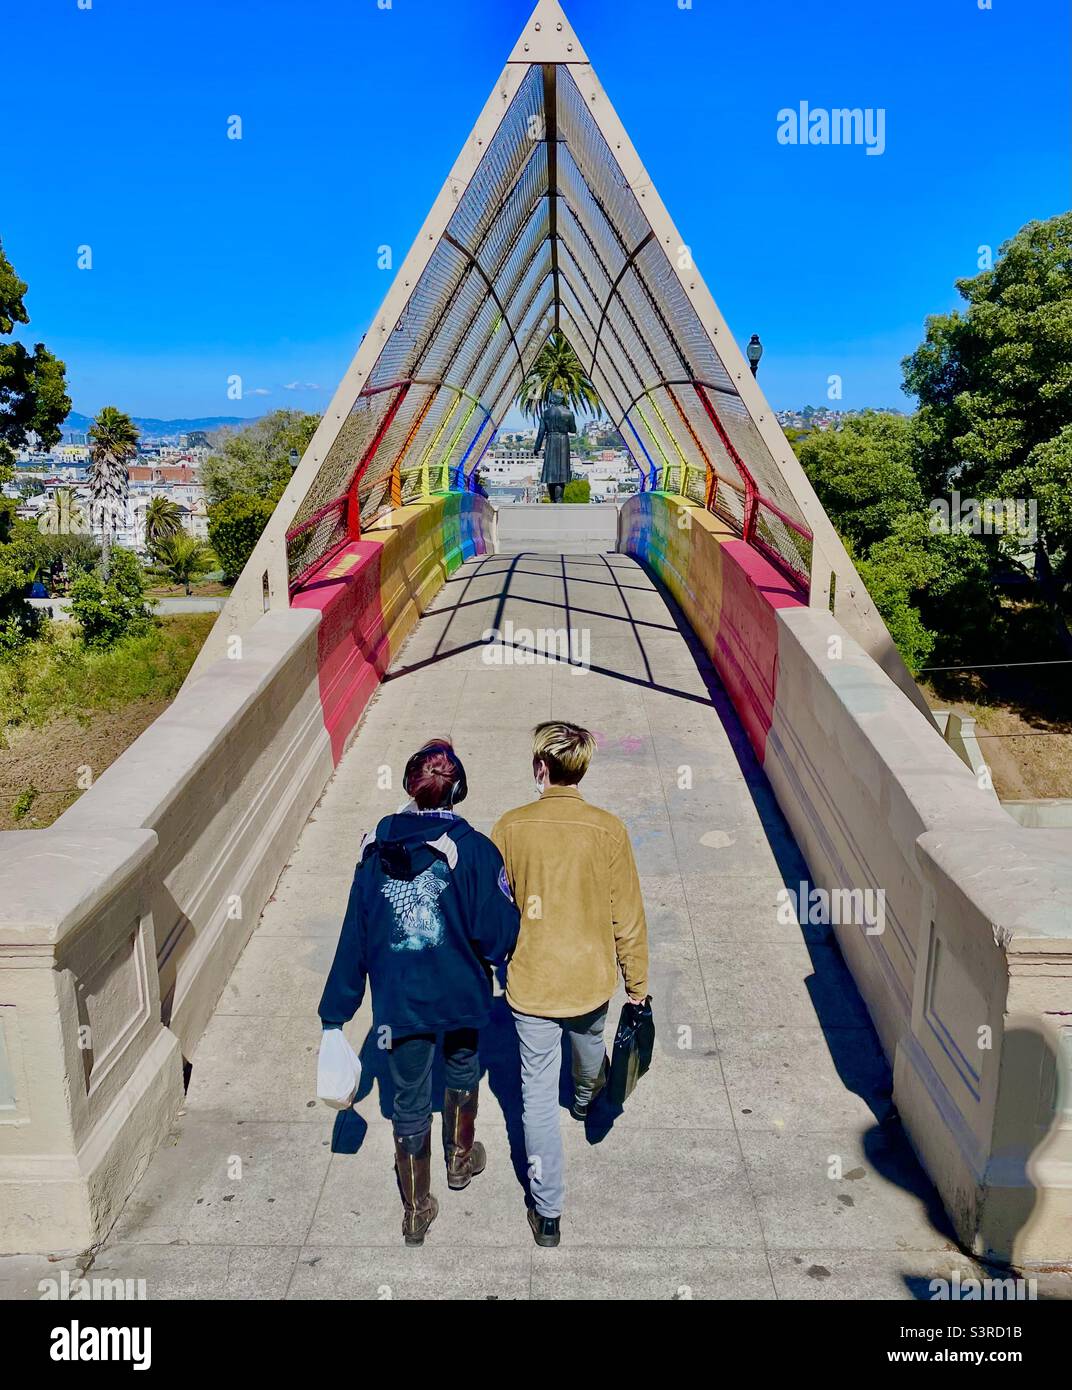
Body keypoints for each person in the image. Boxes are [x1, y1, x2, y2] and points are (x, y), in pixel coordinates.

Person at [319, 739, 520, 1246]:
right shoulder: (475, 850)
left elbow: (355, 935)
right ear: (459, 791)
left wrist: (335, 1013)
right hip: (462, 994)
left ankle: (416, 1208)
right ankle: (460, 1157)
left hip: (400, 1003)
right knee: (462, 1068)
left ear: (409, 786)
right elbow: (498, 937)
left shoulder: (374, 847)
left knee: (408, 1098)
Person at [492, 721, 649, 1248]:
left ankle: (549, 1210)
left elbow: (497, 911)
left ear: (542, 768)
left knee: (534, 1097)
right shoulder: (609, 830)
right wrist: (637, 985)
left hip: (532, 984)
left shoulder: (510, 827)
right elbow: (627, 917)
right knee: (588, 1053)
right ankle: (584, 1101)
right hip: (589, 981)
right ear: (581, 769)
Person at [534, 389, 577, 504]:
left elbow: (541, 432)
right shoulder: (569, 413)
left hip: (551, 441)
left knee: (551, 473)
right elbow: (573, 430)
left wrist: (536, 448)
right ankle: (559, 499)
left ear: (553, 399)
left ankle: (554, 499)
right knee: (561, 475)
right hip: (563, 442)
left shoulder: (546, 413)